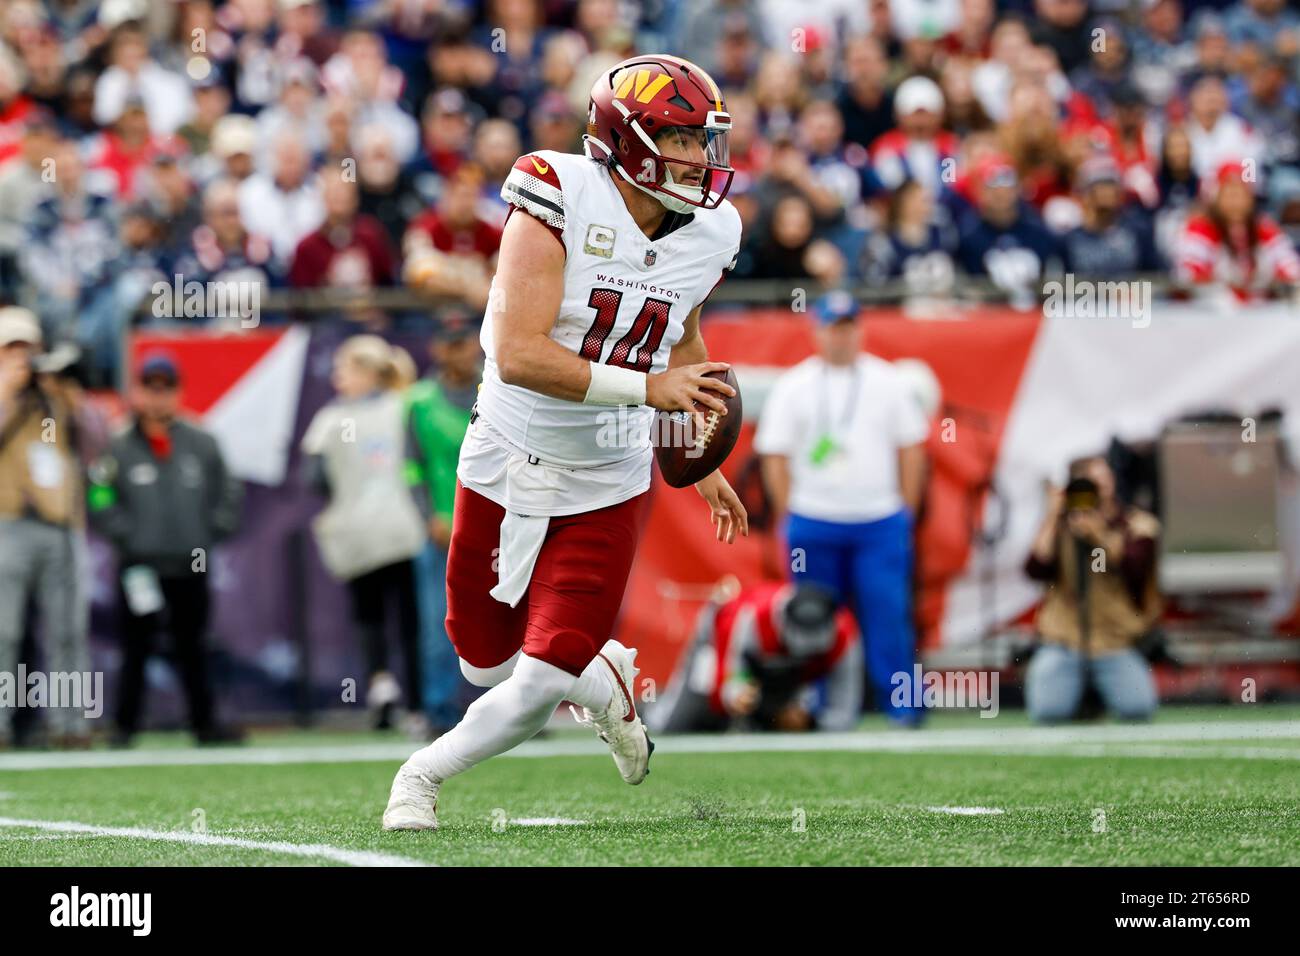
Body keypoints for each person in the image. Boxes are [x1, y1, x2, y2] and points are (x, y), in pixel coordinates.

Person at [383, 54, 747, 830]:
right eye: (678, 138)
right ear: (627, 137)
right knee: (484, 662)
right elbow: (519, 352)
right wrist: (652, 392)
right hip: (509, 451)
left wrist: (699, 454)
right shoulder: (556, 191)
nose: (696, 157)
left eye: (700, 139)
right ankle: (602, 680)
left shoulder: (712, 229)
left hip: (608, 474)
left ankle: (420, 777)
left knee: (542, 677)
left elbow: (679, 329)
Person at [755, 290, 929, 726]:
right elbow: (774, 454)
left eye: (848, 327)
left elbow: (912, 449)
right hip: (814, 519)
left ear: (860, 331)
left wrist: (904, 509)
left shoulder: (888, 381)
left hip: (879, 520)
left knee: (889, 615)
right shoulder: (794, 385)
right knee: (813, 618)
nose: (841, 337)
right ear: (818, 333)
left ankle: (902, 707)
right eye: (833, 328)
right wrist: (788, 512)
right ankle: (823, 705)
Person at [87, 352, 244, 746]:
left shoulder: (202, 439)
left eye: (166, 387)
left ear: (177, 391)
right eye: (150, 387)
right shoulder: (117, 443)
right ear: (138, 391)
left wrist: (210, 532)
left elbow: (228, 489)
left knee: (194, 645)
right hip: (139, 564)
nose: (158, 397)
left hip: (190, 561)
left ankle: (204, 725)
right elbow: (100, 494)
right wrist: (126, 535)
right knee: (136, 647)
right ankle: (124, 727)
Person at [302, 335, 426, 735]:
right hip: (400, 528)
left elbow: (314, 479)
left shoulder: (331, 420)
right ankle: (414, 704)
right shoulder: (403, 407)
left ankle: (383, 688)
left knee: (371, 616)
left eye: (346, 368)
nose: (339, 377)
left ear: (369, 372)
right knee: (407, 618)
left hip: (360, 530)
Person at [0, 307, 92, 749]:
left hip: (60, 526)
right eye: (13, 348)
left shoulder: (51, 398)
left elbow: (94, 442)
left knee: (68, 631)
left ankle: (69, 724)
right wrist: (10, 394)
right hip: (9, 524)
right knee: (4, 632)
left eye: (28, 348)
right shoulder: (7, 398)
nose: (24, 357)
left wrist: (68, 392)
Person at [1023, 455, 1162, 723]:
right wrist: (1053, 513)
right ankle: (1076, 697)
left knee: (1138, 709)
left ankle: (1096, 696)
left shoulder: (1135, 524)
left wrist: (1098, 535)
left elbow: (1135, 567)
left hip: (1114, 640)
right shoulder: (1061, 528)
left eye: (1103, 480)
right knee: (1047, 711)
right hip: (1065, 640)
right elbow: (1034, 568)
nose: (1099, 489)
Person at [650, 579, 862, 734]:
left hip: (783, 679)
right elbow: (727, 681)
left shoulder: (845, 634)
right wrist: (738, 695)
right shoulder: (749, 618)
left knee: (777, 726)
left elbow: (843, 712)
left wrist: (810, 721)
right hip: (720, 645)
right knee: (674, 724)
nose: (805, 648)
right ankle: (647, 705)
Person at [405, 315, 480, 735]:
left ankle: (518, 709)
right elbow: (411, 468)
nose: (463, 352)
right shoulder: (418, 401)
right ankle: (438, 711)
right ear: (438, 349)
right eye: (453, 344)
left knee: (508, 619)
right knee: (438, 625)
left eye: (467, 342)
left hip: (498, 525)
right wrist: (428, 515)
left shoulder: (499, 388)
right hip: (441, 530)